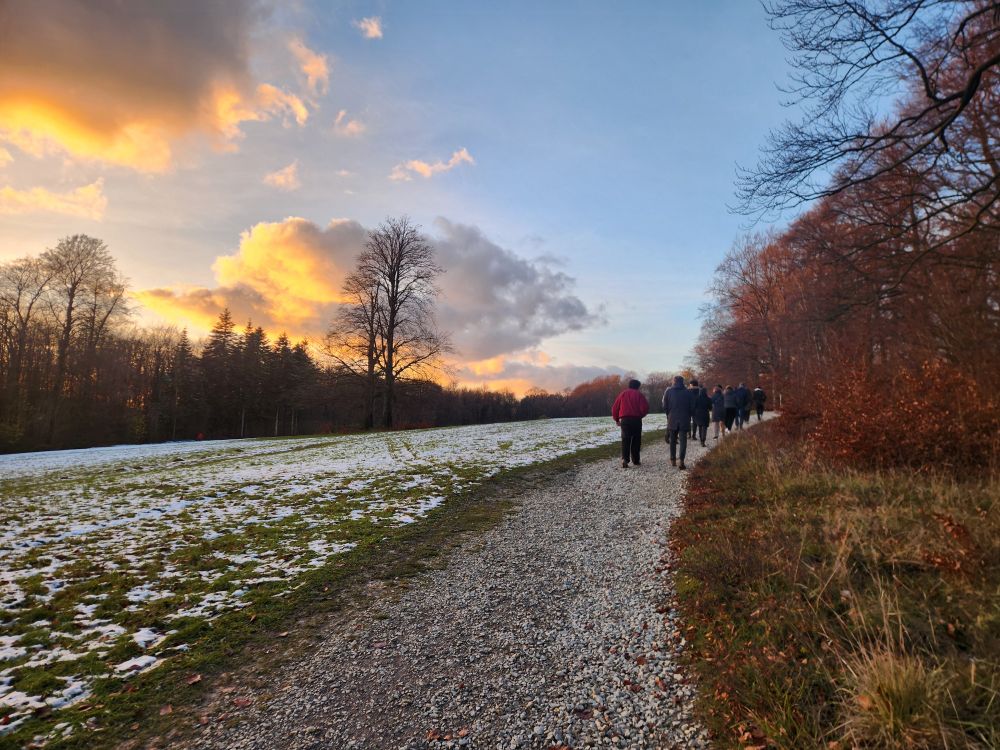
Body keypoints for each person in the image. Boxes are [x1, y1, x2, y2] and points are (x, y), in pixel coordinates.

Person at [612, 378, 649, 468]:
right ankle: (636, 460)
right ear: (638, 386)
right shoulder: (639, 395)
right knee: (636, 440)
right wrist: (641, 415)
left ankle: (625, 459)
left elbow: (615, 408)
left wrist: (616, 419)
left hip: (625, 420)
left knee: (625, 440)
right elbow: (645, 408)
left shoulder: (623, 394)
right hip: (636, 420)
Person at [662, 375, 693, 470]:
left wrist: (669, 415)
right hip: (684, 418)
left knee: (672, 440)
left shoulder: (669, 391)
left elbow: (665, 406)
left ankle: (673, 459)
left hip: (672, 418)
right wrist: (689, 415)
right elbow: (692, 406)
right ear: (682, 382)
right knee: (683, 441)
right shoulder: (688, 392)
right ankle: (682, 461)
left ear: (674, 381)